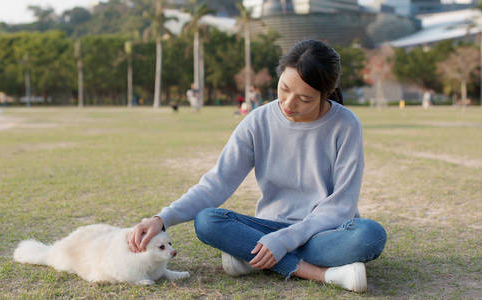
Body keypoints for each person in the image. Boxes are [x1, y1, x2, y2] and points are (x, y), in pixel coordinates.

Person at [128, 40, 387, 293]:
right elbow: (216, 184)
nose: (288, 103)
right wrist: (161, 219)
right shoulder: (258, 121)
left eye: (304, 99)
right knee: (208, 220)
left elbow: (342, 205)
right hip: (268, 228)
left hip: (322, 232)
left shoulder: (346, 125)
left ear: (326, 93)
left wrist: (284, 241)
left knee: (370, 235)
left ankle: (250, 255)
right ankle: (320, 273)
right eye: (284, 88)